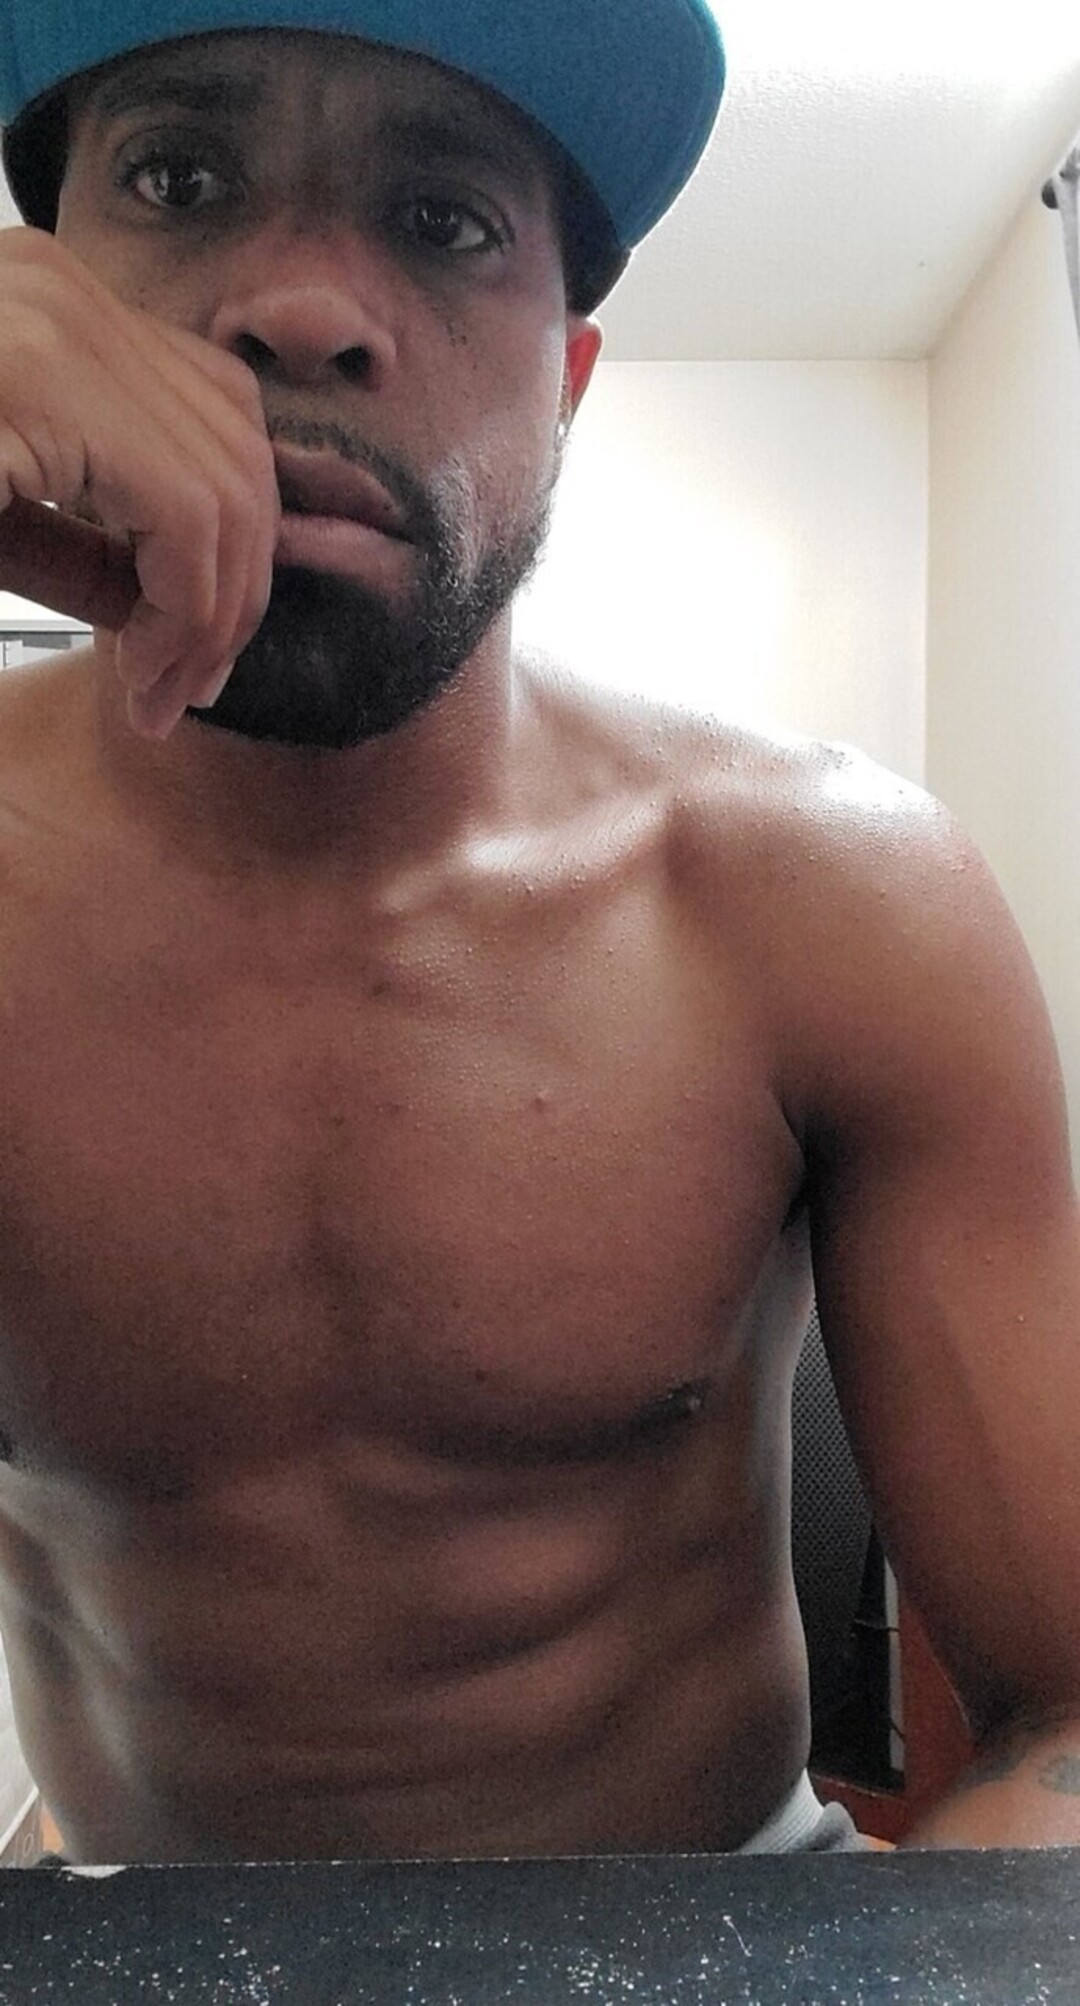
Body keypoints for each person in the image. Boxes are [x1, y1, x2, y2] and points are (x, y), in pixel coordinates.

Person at [0, 0, 1077, 1869]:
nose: (303, 312)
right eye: (180, 179)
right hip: (115, 1918)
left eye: (445, 220)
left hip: (724, 1918)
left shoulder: (839, 905)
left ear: (567, 382)